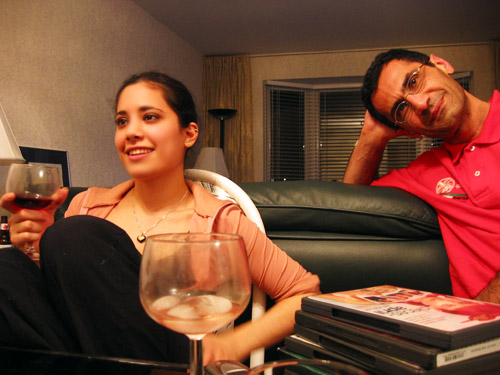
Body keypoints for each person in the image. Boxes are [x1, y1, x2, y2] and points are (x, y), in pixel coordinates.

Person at [0, 72, 320, 365]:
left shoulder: (219, 219)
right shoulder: (88, 204)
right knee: (8, 267)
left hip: (174, 359)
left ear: (189, 134)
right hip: (87, 356)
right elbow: (63, 307)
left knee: (74, 236)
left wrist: (227, 346)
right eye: (122, 122)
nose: (132, 132)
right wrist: (35, 248)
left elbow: (304, 292)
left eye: (150, 117)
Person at [343, 48, 499, 304]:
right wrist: (371, 136)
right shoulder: (425, 172)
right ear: (411, 132)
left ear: (441, 64)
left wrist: (486, 309)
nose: (420, 103)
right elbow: (349, 205)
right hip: (474, 335)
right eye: (402, 110)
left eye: (414, 81)